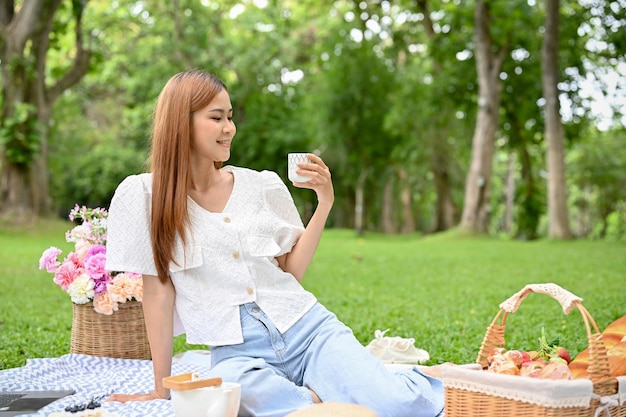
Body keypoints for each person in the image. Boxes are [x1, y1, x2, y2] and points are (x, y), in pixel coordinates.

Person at [105, 69, 445, 417]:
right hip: (237, 354)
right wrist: (162, 390)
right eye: (217, 117)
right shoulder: (145, 196)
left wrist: (324, 202)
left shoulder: (260, 186)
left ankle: (391, 387)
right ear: (181, 122)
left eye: (231, 117)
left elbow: (291, 271)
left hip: (308, 331)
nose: (229, 128)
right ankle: (323, 401)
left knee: (403, 405)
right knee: (229, 396)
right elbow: (159, 296)